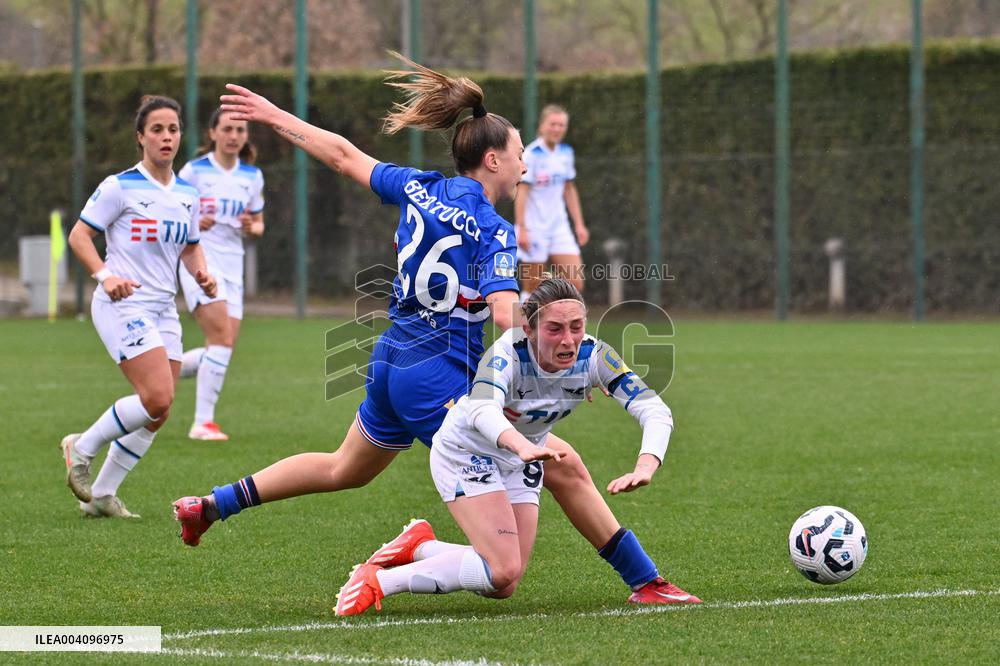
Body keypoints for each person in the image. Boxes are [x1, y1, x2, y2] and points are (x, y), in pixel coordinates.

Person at [173, 54, 675, 605]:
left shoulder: (416, 185)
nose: (525, 166)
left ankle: (213, 504)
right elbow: (508, 317)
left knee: (346, 467)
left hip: (391, 358)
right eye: (518, 155)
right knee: (561, 473)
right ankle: (645, 580)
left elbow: (342, 155)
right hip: (437, 376)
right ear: (491, 160)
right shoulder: (494, 229)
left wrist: (274, 116)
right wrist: (567, 353)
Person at [334, 277, 700, 616]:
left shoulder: (595, 356)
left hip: (519, 456)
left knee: (502, 584)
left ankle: (419, 547)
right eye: (555, 329)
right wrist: (519, 445)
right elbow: (480, 409)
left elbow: (653, 409)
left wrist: (646, 466)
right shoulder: (507, 352)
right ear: (529, 329)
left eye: (577, 327)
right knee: (502, 568)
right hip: (465, 451)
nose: (569, 340)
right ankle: (378, 581)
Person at [61, 95, 217, 518]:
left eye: (173, 129)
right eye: (157, 130)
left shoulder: (187, 193)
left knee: (158, 412)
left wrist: (201, 272)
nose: (167, 137)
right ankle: (82, 446)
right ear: (141, 138)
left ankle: (102, 496)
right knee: (156, 396)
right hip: (122, 305)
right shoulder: (119, 186)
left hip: (164, 309)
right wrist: (104, 276)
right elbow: (79, 236)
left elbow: (190, 247)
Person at [175, 108, 266, 441]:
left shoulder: (252, 176)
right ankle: (202, 423)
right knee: (221, 340)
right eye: (228, 129)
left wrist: (251, 226)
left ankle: (163, 369)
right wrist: (193, 222)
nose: (234, 136)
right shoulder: (194, 171)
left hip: (233, 264)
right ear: (212, 133)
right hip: (200, 261)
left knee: (222, 347)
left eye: (240, 130)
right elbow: (172, 209)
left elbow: (258, 224)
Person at [515, 105, 589, 299]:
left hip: (559, 227)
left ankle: (558, 320)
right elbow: (521, 192)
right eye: (553, 124)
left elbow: (569, 189)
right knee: (533, 286)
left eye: (561, 125)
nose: (557, 129)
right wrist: (521, 228)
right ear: (542, 126)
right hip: (534, 227)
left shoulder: (566, 153)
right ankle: (523, 327)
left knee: (575, 282)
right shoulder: (531, 154)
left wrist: (579, 224)